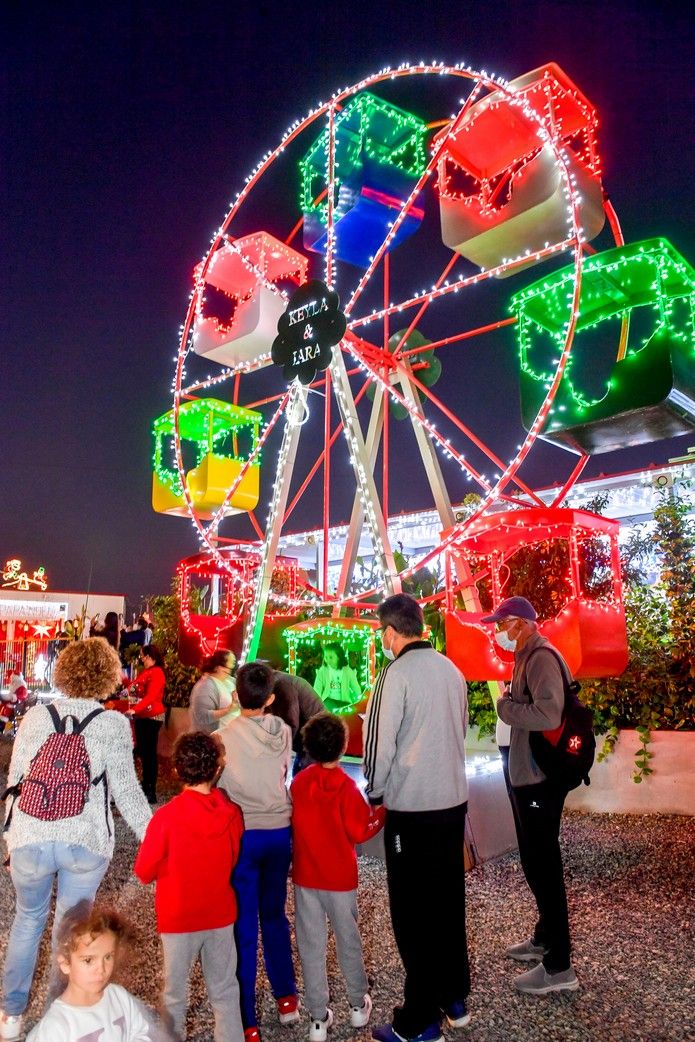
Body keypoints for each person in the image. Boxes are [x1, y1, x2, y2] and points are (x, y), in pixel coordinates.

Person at [0, 638, 152, 1042]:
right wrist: (156, 839)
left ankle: (10, 1017)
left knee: (27, 920)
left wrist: (9, 840)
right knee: (69, 933)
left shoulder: (34, 717)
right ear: (107, 676)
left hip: (30, 835)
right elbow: (127, 792)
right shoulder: (113, 724)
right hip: (84, 841)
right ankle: (57, 1015)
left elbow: (15, 783)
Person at [363, 593, 471, 1042]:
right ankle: (454, 995)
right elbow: (461, 728)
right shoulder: (452, 669)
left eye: (381, 633)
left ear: (391, 632)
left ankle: (418, 1020)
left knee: (412, 912)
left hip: (413, 810)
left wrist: (375, 791)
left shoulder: (395, 673)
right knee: (447, 902)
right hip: (452, 802)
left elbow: (379, 743)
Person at [481, 596, 579, 995]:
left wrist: (506, 708)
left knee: (544, 864)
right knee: (535, 858)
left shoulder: (540, 657)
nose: (497, 632)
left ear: (521, 624)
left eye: (501, 624)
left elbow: (548, 715)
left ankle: (560, 966)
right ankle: (544, 938)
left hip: (540, 778)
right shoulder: (527, 655)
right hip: (530, 774)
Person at [134, 732, 245, 1042]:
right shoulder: (232, 813)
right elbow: (234, 855)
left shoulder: (166, 818)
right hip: (220, 914)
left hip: (178, 917)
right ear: (217, 769)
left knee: (174, 994)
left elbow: (144, 871)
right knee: (224, 990)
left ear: (176, 770)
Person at [216, 662, 298, 1042]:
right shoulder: (283, 732)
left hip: (244, 835)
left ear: (236, 695)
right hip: (279, 830)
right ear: (270, 698)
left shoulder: (223, 736)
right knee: (276, 914)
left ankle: (247, 1018)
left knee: (244, 923)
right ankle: (287, 999)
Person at [291, 713, 385, 1042]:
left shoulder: (299, 783)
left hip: (305, 877)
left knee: (310, 946)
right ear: (343, 747)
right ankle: (358, 1005)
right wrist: (381, 813)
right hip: (340, 879)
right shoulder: (346, 787)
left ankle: (318, 1017)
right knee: (349, 941)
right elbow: (360, 830)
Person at [25, 906, 154, 1041]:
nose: (101, 969)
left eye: (108, 957)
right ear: (65, 964)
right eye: (88, 960)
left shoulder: (119, 997)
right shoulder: (56, 1027)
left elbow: (141, 1032)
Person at [127, 645, 166, 804]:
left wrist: (135, 710)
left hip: (151, 717)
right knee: (144, 753)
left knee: (148, 754)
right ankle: (146, 785)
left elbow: (151, 696)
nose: (142, 659)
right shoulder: (147, 672)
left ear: (152, 656)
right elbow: (133, 689)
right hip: (143, 716)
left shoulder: (156, 673)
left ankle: (150, 789)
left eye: (144, 656)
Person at [265, 669, 324, 774]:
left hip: (316, 738)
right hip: (309, 736)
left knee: (305, 778)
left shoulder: (282, 686)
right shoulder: (277, 682)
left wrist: (276, 752)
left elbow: (291, 723)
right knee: (299, 774)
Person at [189, 650, 238, 734]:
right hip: (210, 738)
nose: (234, 660)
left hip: (229, 736)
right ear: (219, 667)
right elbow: (202, 717)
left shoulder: (229, 680)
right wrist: (228, 710)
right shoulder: (205, 686)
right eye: (231, 658)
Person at [313, 644, 362, 714]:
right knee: (329, 709)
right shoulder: (322, 671)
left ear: (339, 657)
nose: (327, 659)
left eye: (331, 657)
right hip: (328, 699)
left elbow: (355, 687)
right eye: (326, 657)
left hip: (344, 701)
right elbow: (317, 688)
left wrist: (358, 701)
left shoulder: (347, 671)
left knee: (348, 713)